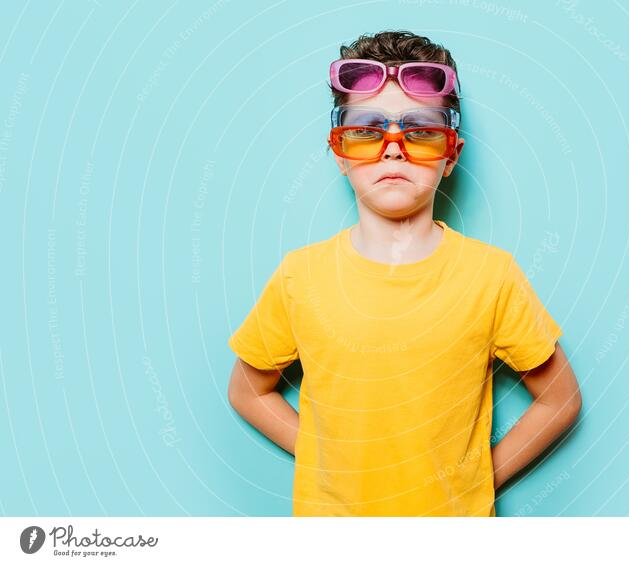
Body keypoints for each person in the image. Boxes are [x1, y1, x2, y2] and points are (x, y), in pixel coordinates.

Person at [227, 30, 582, 516]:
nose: (393, 149)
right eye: (367, 131)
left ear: (451, 153)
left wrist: (474, 480)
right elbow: (247, 391)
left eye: (420, 131)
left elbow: (560, 400)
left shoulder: (490, 275)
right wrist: (323, 462)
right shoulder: (300, 276)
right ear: (339, 151)